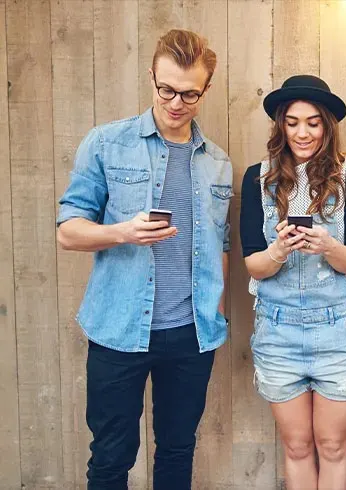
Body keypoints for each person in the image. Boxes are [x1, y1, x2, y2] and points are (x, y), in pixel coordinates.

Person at [55, 29, 231, 489]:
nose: (176, 102)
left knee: (177, 451)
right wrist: (122, 232)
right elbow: (67, 232)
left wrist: (214, 310)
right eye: (166, 89)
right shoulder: (106, 142)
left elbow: (221, 245)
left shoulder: (217, 161)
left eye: (190, 94)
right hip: (118, 329)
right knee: (112, 456)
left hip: (191, 335)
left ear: (206, 89)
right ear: (151, 76)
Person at [239, 74, 346, 490]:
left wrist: (328, 246)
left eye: (313, 122)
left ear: (327, 126)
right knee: (297, 446)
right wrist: (279, 250)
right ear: (280, 124)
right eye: (293, 122)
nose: (302, 132)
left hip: (339, 330)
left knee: (332, 446)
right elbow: (253, 265)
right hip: (277, 330)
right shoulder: (256, 178)